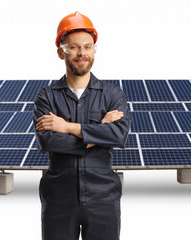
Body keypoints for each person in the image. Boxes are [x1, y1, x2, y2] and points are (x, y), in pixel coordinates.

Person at [33, 11, 131, 240]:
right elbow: (48, 141)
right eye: (74, 47)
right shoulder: (46, 97)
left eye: (88, 47)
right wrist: (98, 133)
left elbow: (118, 135)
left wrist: (67, 127)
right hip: (59, 198)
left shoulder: (112, 95)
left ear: (94, 50)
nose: (82, 53)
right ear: (60, 52)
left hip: (103, 198)